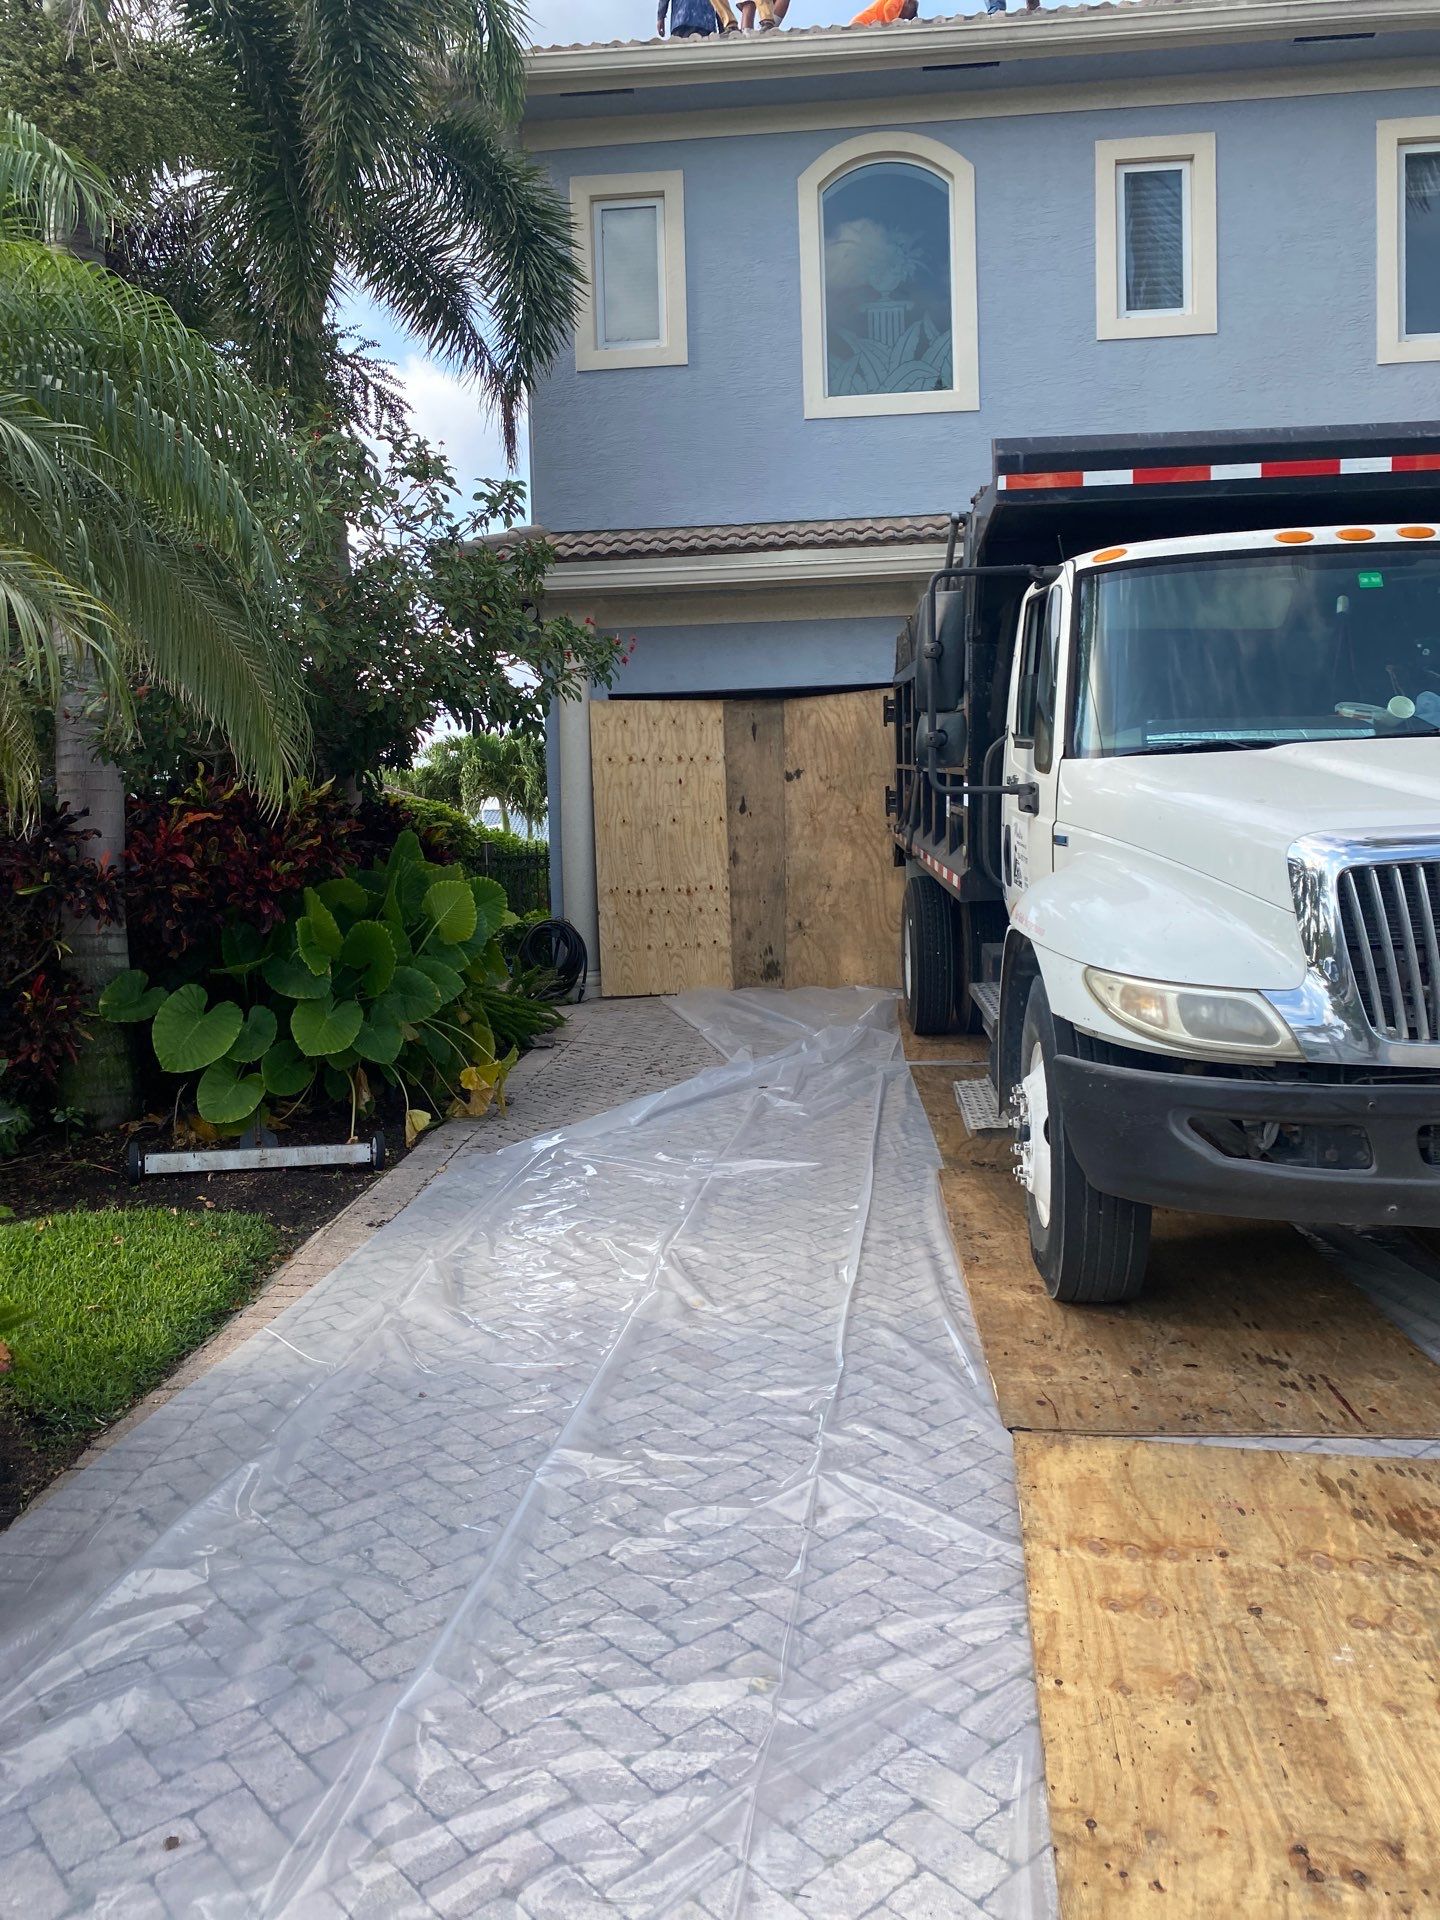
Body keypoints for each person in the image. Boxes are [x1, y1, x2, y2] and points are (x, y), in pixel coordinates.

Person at [851, 0, 917, 21]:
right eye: (907, 16)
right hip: (864, 22)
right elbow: (888, 8)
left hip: (866, 22)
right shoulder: (901, 1)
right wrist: (893, 26)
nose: (903, 18)